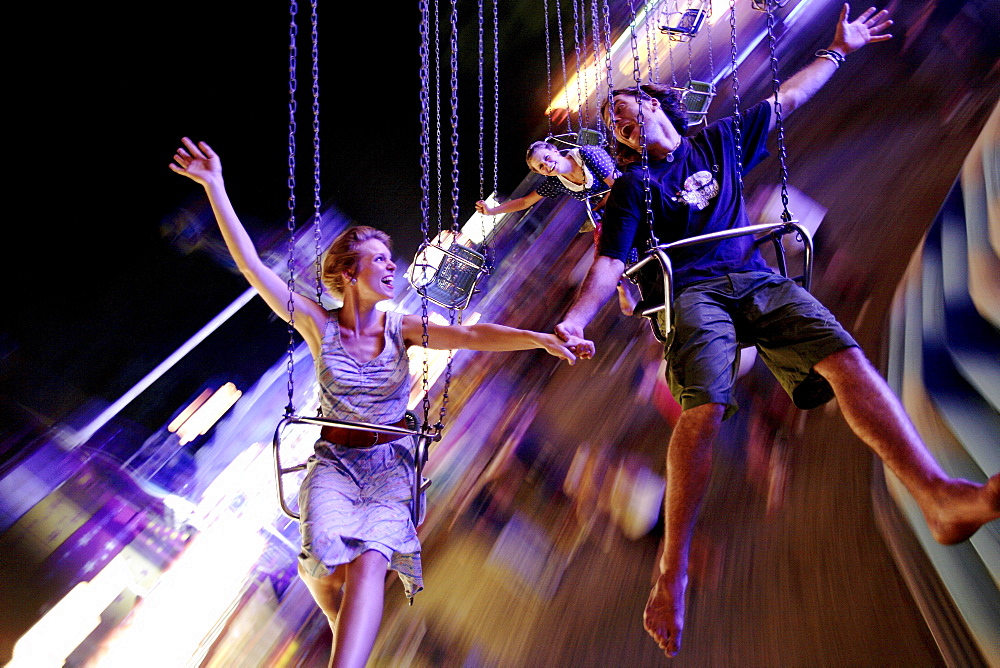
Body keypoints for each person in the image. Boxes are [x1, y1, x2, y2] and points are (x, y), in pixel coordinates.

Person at [553, 4, 1000, 658]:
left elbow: (787, 95)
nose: (623, 121)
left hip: (754, 275)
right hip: (696, 296)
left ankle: (935, 495)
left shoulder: (720, 140)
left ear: (658, 105)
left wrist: (841, 49)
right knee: (702, 411)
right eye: (615, 124)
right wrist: (573, 316)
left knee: (846, 363)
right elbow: (607, 266)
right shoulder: (632, 190)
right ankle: (672, 570)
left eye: (628, 108)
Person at [169, 138, 590, 668]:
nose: (392, 268)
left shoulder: (403, 329)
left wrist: (539, 338)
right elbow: (253, 265)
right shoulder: (318, 326)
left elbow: (474, 334)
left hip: (387, 466)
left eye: (391, 259)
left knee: (369, 557)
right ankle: (351, 632)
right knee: (321, 581)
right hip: (332, 466)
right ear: (348, 276)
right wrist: (216, 188)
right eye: (378, 260)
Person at [475, 140, 618, 233]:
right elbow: (525, 202)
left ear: (555, 151)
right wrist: (492, 211)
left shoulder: (587, 154)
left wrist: (598, 210)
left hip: (629, 191)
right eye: (541, 167)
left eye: (547, 158)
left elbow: (618, 186)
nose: (547, 166)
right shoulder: (556, 182)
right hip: (612, 210)